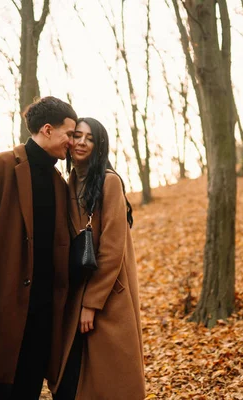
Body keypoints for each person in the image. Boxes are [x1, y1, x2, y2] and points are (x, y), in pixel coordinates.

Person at [0, 96, 77, 399]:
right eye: (69, 134)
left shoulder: (60, 183)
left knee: (27, 391)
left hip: (42, 318)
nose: (72, 142)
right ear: (47, 129)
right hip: (1, 310)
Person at [54, 117, 145, 399]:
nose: (81, 142)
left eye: (89, 138)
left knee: (109, 381)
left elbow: (112, 249)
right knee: (70, 380)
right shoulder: (69, 182)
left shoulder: (109, 182)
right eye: (77, 136)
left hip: (108, 297)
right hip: (75, 294)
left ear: (99, 145)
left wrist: (91, 305)